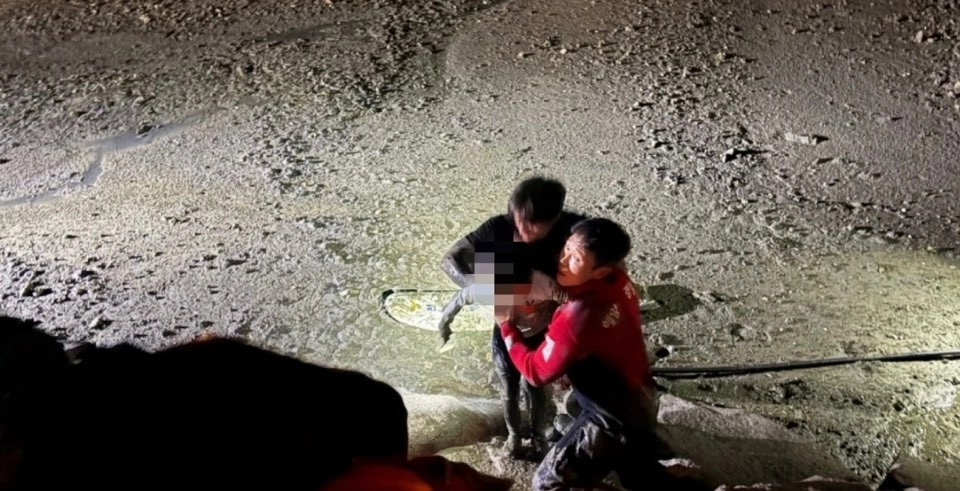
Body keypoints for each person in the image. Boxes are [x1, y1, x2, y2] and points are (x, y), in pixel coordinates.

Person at [495, 217, 670, 490]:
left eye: (575, 258)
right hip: (642, 396)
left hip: (611, 420)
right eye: (566, 248)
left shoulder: (577, 318)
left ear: (600, 270)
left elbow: (535, 372)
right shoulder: (620, 281)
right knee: (636, 476)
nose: (563, 261)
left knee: (545, 482)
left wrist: (507, 327)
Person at [437, 176, 586, 458]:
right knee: (508, 387)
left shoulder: (567, 239)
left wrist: (572, 348)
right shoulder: (498, 232)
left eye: (532, 224)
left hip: (543, 328)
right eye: (519, 221)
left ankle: (539, 437)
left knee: (535, 386)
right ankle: (514, 437)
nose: (522, 229)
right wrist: (486, 289)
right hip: (505, 330)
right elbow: (452, 267)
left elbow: (576, 302)